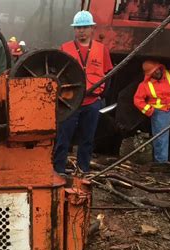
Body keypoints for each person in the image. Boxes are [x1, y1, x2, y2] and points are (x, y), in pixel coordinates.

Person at [53, 10, 113, 174]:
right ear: (74, 30)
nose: (81, 30)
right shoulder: (65, 48)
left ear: (92, 29)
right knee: (63, 138)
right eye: (78, 28)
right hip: (70, 102)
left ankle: (83, 171)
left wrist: (102, 95)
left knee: (87, 139)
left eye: (85, 27)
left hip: (92, 102)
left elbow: (108, 74)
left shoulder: (101, 50)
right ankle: (58, 170)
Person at [134, 60, 170, 163]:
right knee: (161, 136)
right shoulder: (144, 85)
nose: (157, 72)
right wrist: (150, 111)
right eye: (153, 72)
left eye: (157, 70)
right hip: (159, 111)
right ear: (149, 74)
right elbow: (138, 100)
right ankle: (161, 162)